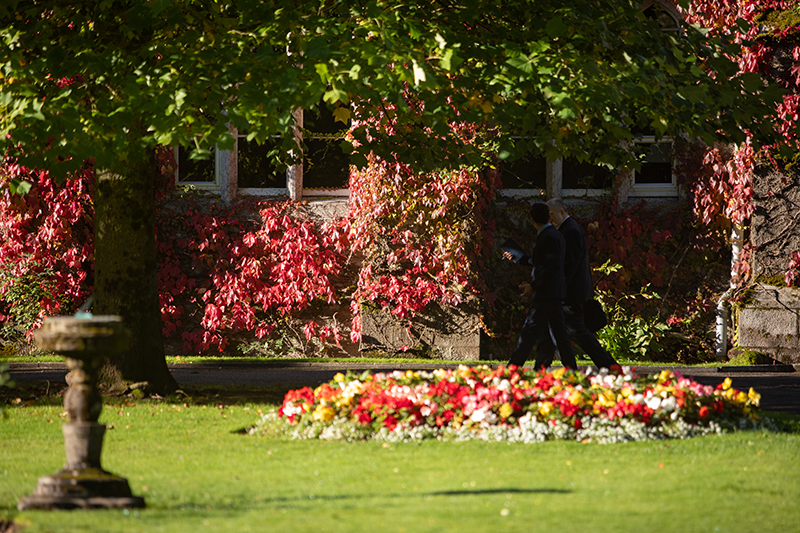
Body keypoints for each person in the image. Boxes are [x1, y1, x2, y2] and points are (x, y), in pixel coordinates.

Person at [533, 198, 618, 369]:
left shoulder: (570, 231)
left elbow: (568, 265)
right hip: (569, 292)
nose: (549, 218)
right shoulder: (568, 229)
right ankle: (541, 367)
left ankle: (608, 365)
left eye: (551, 214)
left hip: (570, 294)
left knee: (575, 331)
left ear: (562, 212)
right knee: (552, 329)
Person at [507, 203, 577, 370]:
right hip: (554, 292)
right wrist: (520, 258)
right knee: (559, 334)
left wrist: (533, 286)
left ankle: (512, 369)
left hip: (547, 293)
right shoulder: (555, 234)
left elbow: (549, 267)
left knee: (529, 331)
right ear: (548, 216)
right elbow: (544, 262)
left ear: (532, 220)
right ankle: (571, 370)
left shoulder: (547, 236)